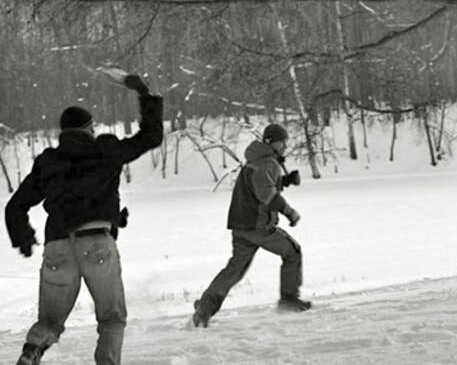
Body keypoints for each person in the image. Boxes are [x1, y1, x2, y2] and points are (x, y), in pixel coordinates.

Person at [6, 71, 163, 365]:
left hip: (57, 249)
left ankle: (33, 349)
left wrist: (23, 237)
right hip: (97, 245)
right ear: (89, 129)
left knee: (50, 321)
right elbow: (151, 136)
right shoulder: (104, 150)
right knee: (112, 319)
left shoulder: (48, 162)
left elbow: (14, 206)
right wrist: (144, 93)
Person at [192, 123, 309, 328]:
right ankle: (289, 299)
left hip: (241, 227)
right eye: (283, 142)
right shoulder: (268, 163)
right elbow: (267, 194)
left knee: (235, 270)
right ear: (271, 142)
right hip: (259, 228)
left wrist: (286, 180)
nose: (285, 146)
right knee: (292, 252)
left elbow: (262, 183)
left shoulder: (255, 161)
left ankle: (206, 306)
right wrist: (290, 212)